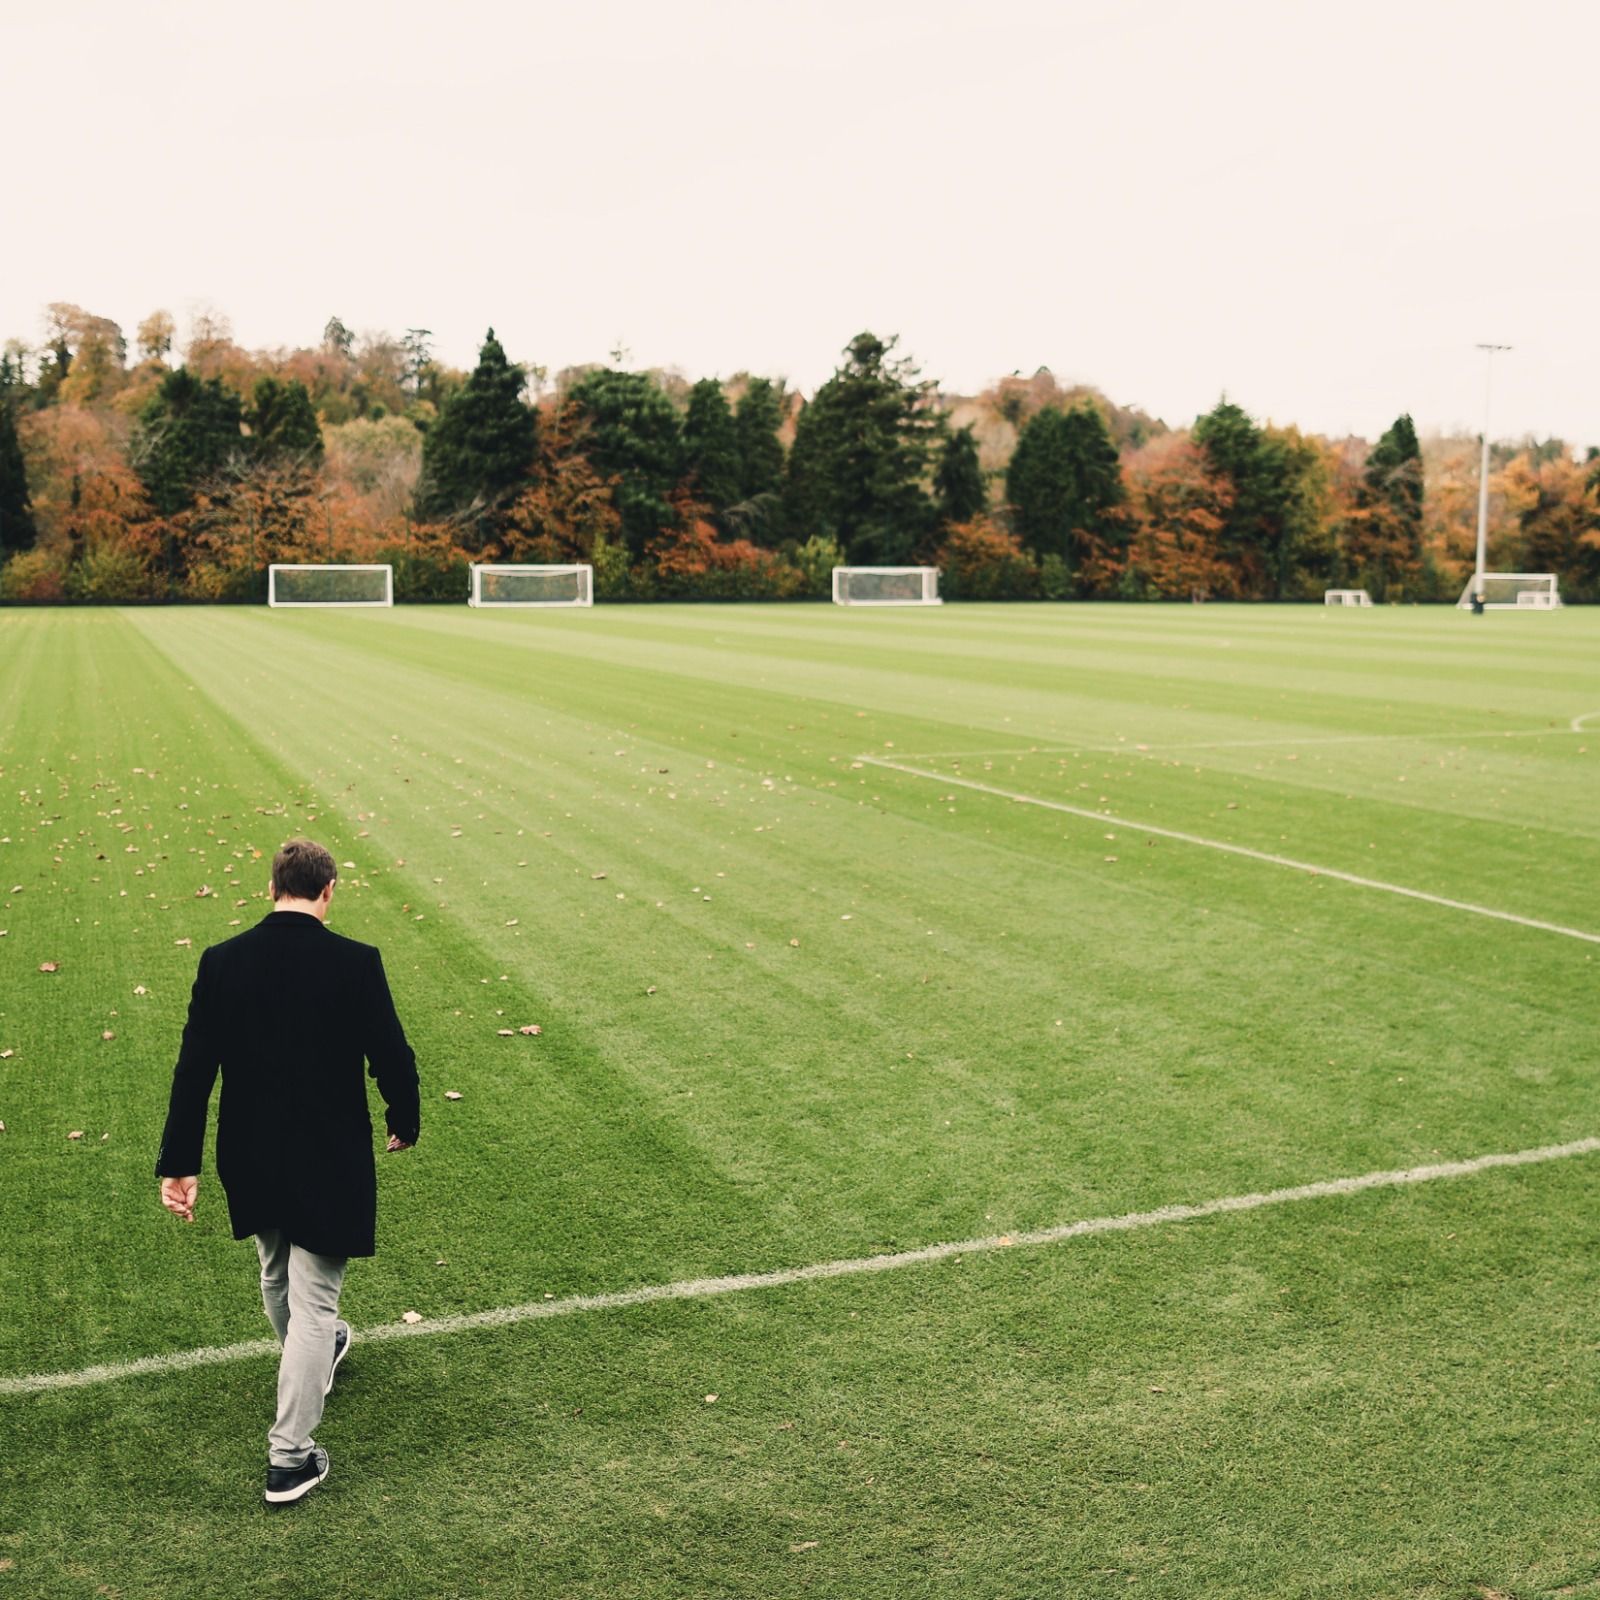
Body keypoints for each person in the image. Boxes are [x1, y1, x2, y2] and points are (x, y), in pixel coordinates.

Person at [155, 837, 420, 1505]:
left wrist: (179, 1164)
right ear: (328, 891)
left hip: (248, 1152)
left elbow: (193, 1071)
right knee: (314, 1304)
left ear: (273, 888)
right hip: (328, 1156)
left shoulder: (222, 963)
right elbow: (391, 1049)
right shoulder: (355, 963)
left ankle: (320, 1353)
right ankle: (289, 1457)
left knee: (278, 1273)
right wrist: (403, 1116)